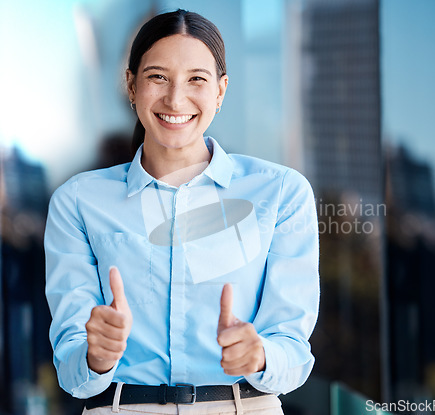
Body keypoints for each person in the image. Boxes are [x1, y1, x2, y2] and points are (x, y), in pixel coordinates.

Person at [45, 9, 319, 415]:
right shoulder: (78, 202)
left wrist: (259, 355)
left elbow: (294, 350)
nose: (176, 99)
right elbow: (72, 367)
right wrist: (96, 355)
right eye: (157, 77)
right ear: (131, 85)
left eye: (197, 80)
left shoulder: (281, 193)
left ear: (221, 91)